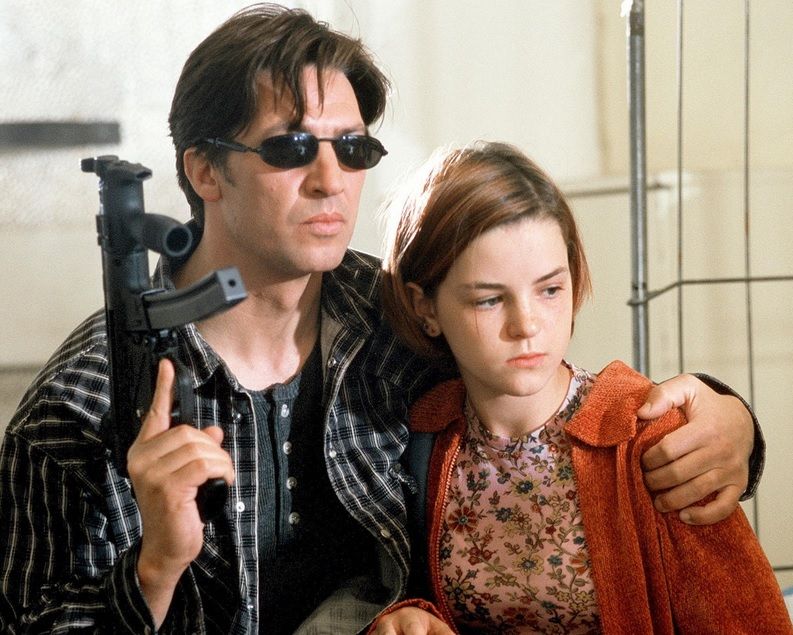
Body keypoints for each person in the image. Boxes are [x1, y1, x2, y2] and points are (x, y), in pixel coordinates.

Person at [0, 4, 764, 634]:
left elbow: (552, 398)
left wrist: (726, 421)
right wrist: (155, 567)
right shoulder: (80, 405)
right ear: (205, 170)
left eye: (352, 147)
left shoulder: (399, 318)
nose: (330, 179)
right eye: (290, 148)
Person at [372, 141, 791, 634]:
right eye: (489, 300)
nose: (527, 325)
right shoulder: (417, 437)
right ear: (424, 307)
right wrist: (407, 615)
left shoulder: (649, 440)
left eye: (550, 289)